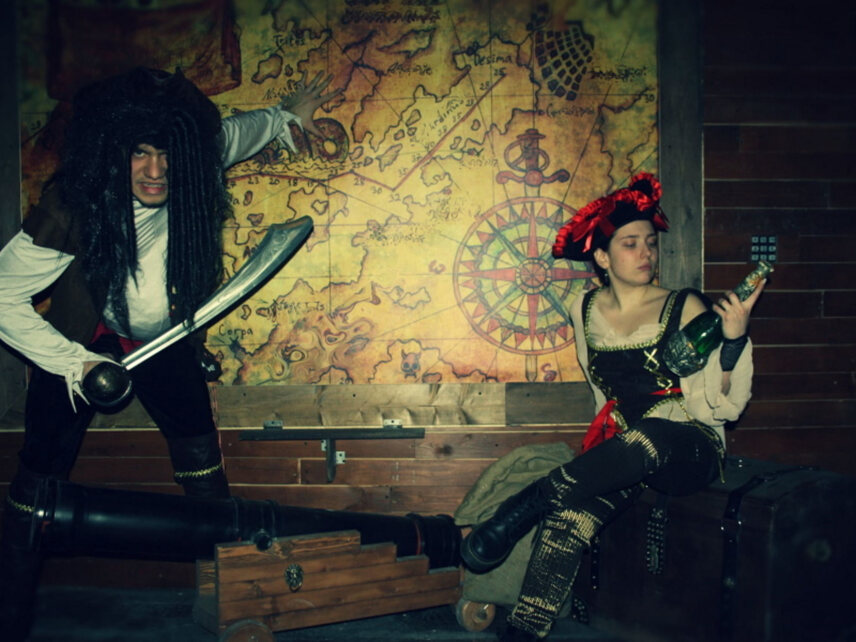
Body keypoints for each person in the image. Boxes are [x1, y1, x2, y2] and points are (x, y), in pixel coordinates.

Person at [0, 66, 339, 640]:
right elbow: (2, 294)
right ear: (112, 153)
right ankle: (9, 618)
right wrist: (75, 363)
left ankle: (224, 598)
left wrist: (285, 116)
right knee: (38, 475)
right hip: (82, 340)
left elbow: (239, 132)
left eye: (165, 153)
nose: (156, 171)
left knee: (204, 469)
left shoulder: (195, 158)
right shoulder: (73, 204)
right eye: (139, 153)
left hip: (164, 341)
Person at [460, 173, 765, 641]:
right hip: (626, 447)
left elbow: (719, 403)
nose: (646, 253)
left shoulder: (685, 306)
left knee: (652, 436)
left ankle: (521, 508)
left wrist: (734, 340)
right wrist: (599, 458)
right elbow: (602, 394)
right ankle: (524, 629)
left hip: (688, 445)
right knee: (569, 517)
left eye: (650, 243)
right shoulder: (583, 310)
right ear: (602, 257)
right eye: (630, 244)